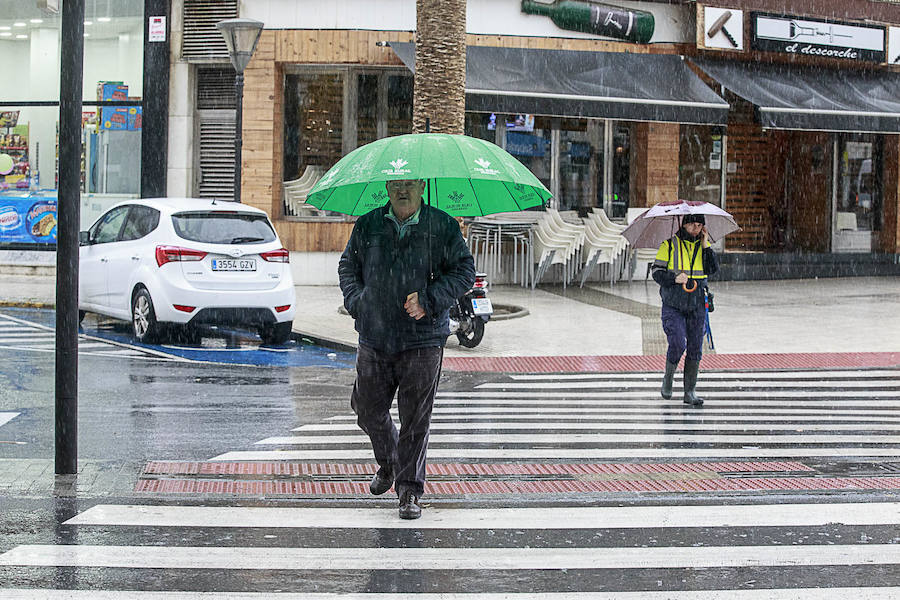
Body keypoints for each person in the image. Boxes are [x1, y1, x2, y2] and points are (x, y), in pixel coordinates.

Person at [338, 178, 475, 519]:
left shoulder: (441, 226)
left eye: (410, 184)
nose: (403, 190)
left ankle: (409, 491)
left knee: (415, 419)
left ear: (422, 187)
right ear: (387, 186)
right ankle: (390, 461)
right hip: (375, 336)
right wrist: (360, 302)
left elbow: (464, 273)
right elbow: (347, 268)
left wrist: (429, 299)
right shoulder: (369, 224)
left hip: (423, 339)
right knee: (366, 408)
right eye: (396, 183)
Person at [650, 214, 718, 406]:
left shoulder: (704, 246)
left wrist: (705, 245)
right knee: (678, 342)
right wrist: (674, 279)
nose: (696, 230)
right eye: (692, 225)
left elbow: (713, 269)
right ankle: (668, 377)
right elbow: (656, 272)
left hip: (697, 304)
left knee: (696, 347)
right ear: (684, 225)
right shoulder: (669, 245)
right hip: (674, 304)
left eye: (699, 226)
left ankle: (690, 391)